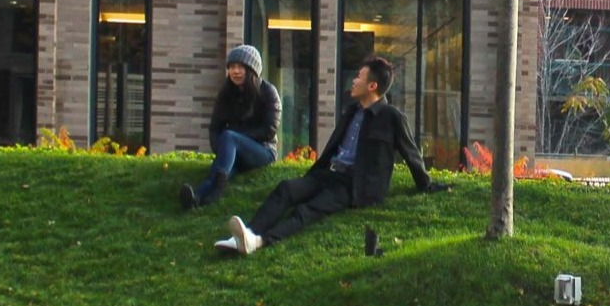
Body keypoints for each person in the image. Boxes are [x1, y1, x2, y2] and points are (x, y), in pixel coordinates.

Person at [219, 56, 446, 255]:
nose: (354, 81)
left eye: (359, 77)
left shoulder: (392, 117)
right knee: (286, 188)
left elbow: (411, 153)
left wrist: (426, 184)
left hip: (353, 185)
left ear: (372, 85)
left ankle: (259, 242)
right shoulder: (352, 111)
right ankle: (246, 233)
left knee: (306, 210)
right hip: (328, 174)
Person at [182, 45, 281, 210]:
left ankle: (217, 187)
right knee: (221, 166)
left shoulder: (268, 92)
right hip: (233, 150)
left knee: (229, 136)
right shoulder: (226, 94)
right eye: (232, 67)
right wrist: (221, 149)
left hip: (263, 151)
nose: (235, 71)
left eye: (240, 67)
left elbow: (269, 130)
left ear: (252, 70)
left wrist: (235, 140)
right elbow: (215, 128)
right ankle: (198, 198)